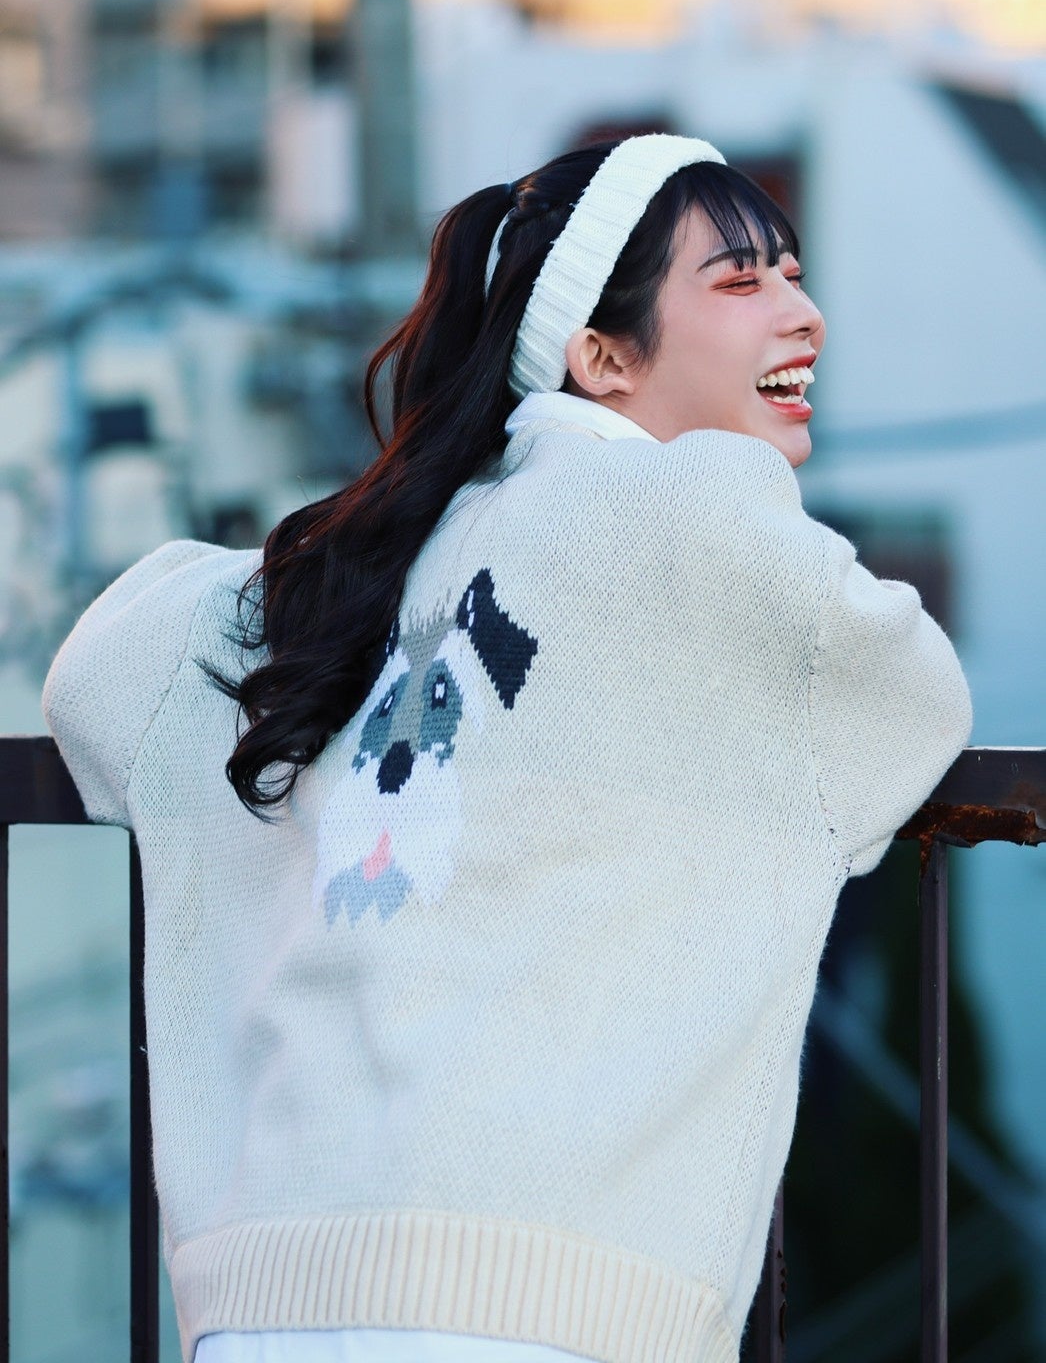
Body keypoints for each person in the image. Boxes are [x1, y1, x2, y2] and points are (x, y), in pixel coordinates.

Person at [42, 133, 972, 1363]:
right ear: (600, 356)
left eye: (792, 276)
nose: (802, 314)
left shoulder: (348, 562)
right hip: (546, 1306)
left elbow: (100, 677)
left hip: (257, 1300)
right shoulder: (700, 519)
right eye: (740, 280)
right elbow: (910, 697)